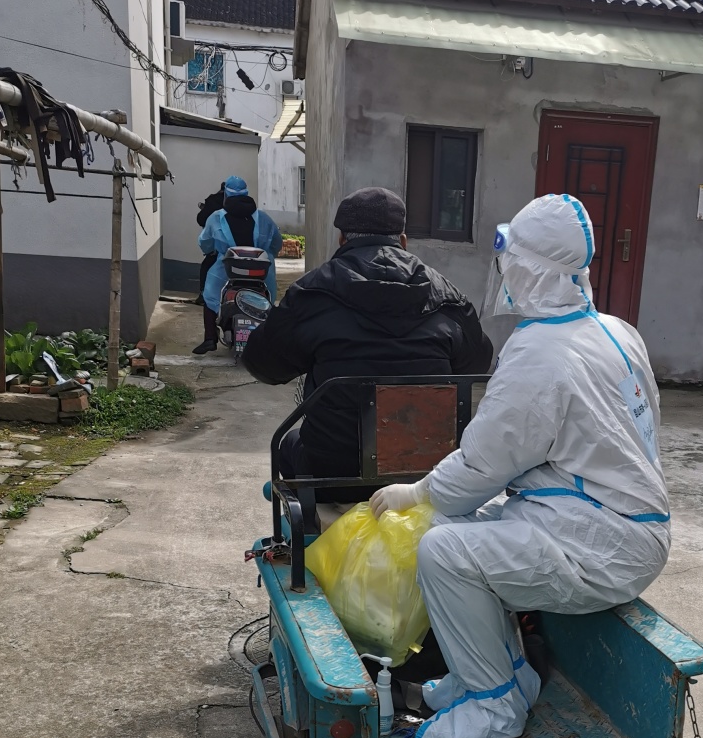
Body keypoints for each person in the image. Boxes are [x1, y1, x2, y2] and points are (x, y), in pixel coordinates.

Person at [369, 192, 671, 738]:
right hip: (610, 521)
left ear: (530, 269)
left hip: (602, 542)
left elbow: (485, 462)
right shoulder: (615, 329)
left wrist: (420, 491)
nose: (504, 274)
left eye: (510, 262)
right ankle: (502, 675)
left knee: (445, 551)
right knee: (464, 530)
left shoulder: (540, 352)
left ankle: (495, 706)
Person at [242, 187, 493, 501]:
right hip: (426, 474)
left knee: (288, 445)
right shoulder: (448, 295)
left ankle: (304, 526)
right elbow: (477, 363)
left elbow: (264, 365)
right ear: (403, 241)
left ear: (342, 240)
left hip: (333, 473)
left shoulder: (311, 293)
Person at [193, 176, 282, 355]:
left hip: (228, 270)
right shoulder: (263, 217)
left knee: (210, 294)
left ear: (226, 194)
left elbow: (205, 243)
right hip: (260, 271)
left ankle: (210, 338)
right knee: (267, 299)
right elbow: (276, 243)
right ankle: (266, 337)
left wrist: (212, 250)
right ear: (246, 194)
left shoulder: (216, 217)